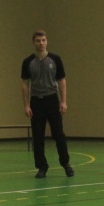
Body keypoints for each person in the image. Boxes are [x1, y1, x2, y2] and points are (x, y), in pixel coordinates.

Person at [21, 30, 74, 178]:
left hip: (52, 100)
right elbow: (25, 84)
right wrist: (26, 105)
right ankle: (42, 167)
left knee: (59, 134)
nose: (41, 43)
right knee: (38, 136)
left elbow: (61, 80)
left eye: (43, 40)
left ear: (47, 41)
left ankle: (66, 164)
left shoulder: (55, 59)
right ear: (33, 42)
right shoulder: (28, 62)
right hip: (36, 101)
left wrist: (63, 101)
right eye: (38, 40)